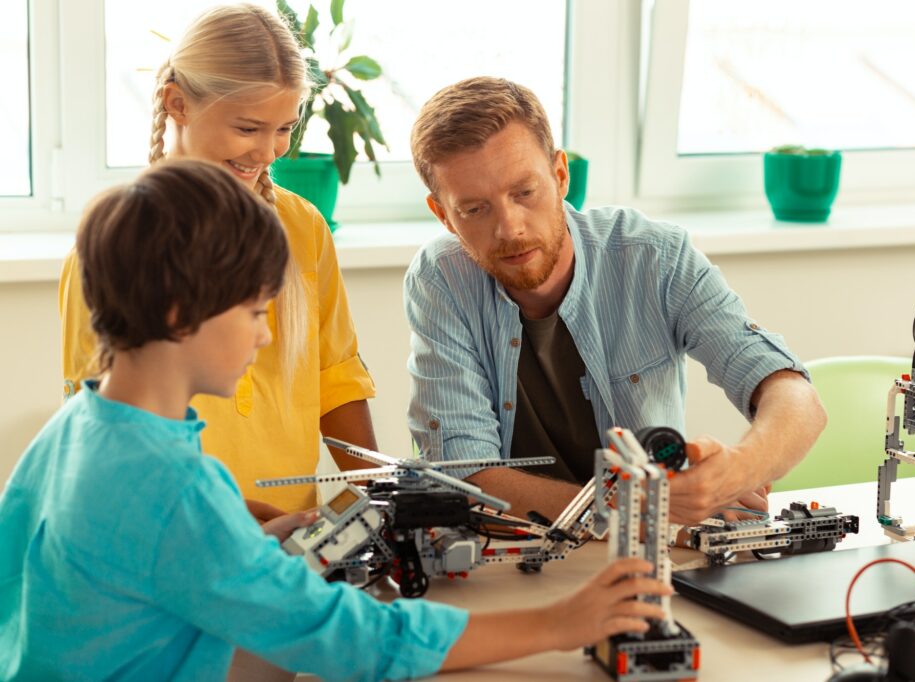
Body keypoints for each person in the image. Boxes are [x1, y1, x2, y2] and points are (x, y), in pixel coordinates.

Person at [0, 159, 670, 681]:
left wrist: (239, 544)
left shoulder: (76, 428)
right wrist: (561, 621)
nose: (266, 338)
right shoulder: (173, 484)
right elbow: (352, 640)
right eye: (258, 312)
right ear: (181, 314)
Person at [405, 77, 827, 527]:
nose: (510, 228)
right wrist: (639, 506)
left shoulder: (655, 256)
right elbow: (468, 480)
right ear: (443, 215)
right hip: (517, 550)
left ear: (560, 175)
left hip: (651, 551)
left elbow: (796, 397)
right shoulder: (440, 279)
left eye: (524, 193)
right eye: (475, 209)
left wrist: (738, 469)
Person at [58, 3, 372, 517]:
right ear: (177, 103)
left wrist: (379, 495)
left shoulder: (304, 227)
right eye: (248, 128)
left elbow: (336, 378)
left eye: (283, 129)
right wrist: (224, 514)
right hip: (176, 530)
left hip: (289, 538)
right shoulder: (116, 245)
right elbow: (100, 421)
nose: (269, 151)